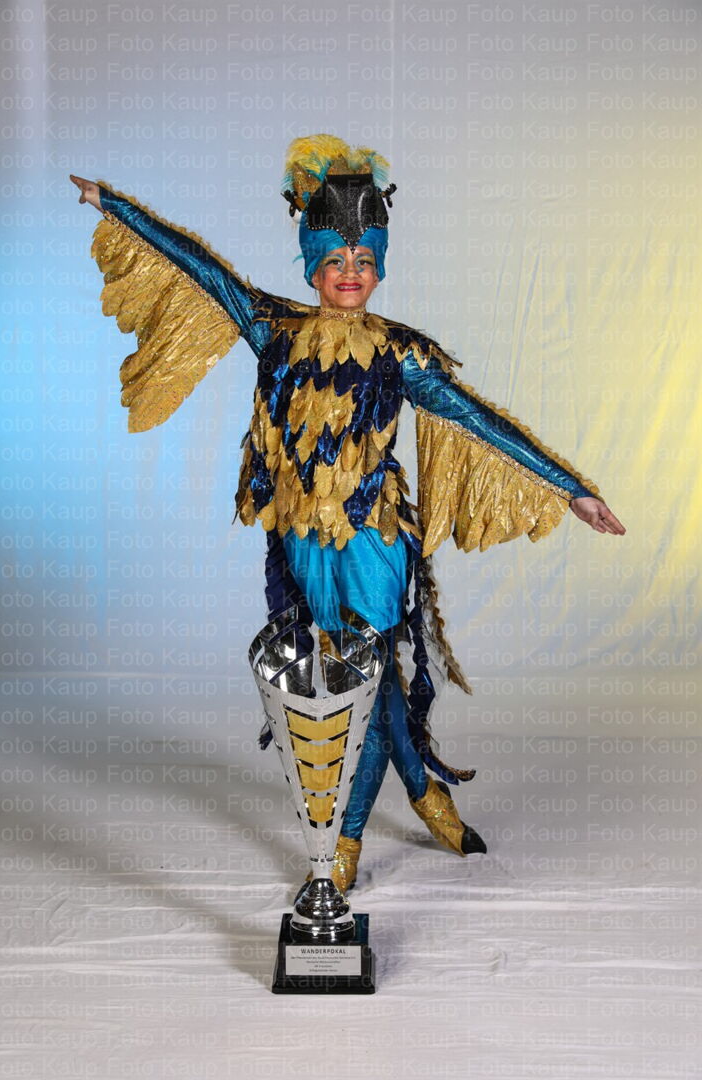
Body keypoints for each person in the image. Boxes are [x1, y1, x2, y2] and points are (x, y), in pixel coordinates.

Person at [70, 134, 625, 894]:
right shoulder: (274, 329)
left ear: (380, 268)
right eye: (335, 260)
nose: (351, 273)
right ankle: (426, 793)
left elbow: (479, 420)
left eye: (364, 261)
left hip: (371, 539)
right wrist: (114, 206)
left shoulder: (399, 353)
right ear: (312, 266)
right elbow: (203, 269)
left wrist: (570, 489)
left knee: (368, 684)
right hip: (303, 542)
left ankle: (345, 841)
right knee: (360, 679)